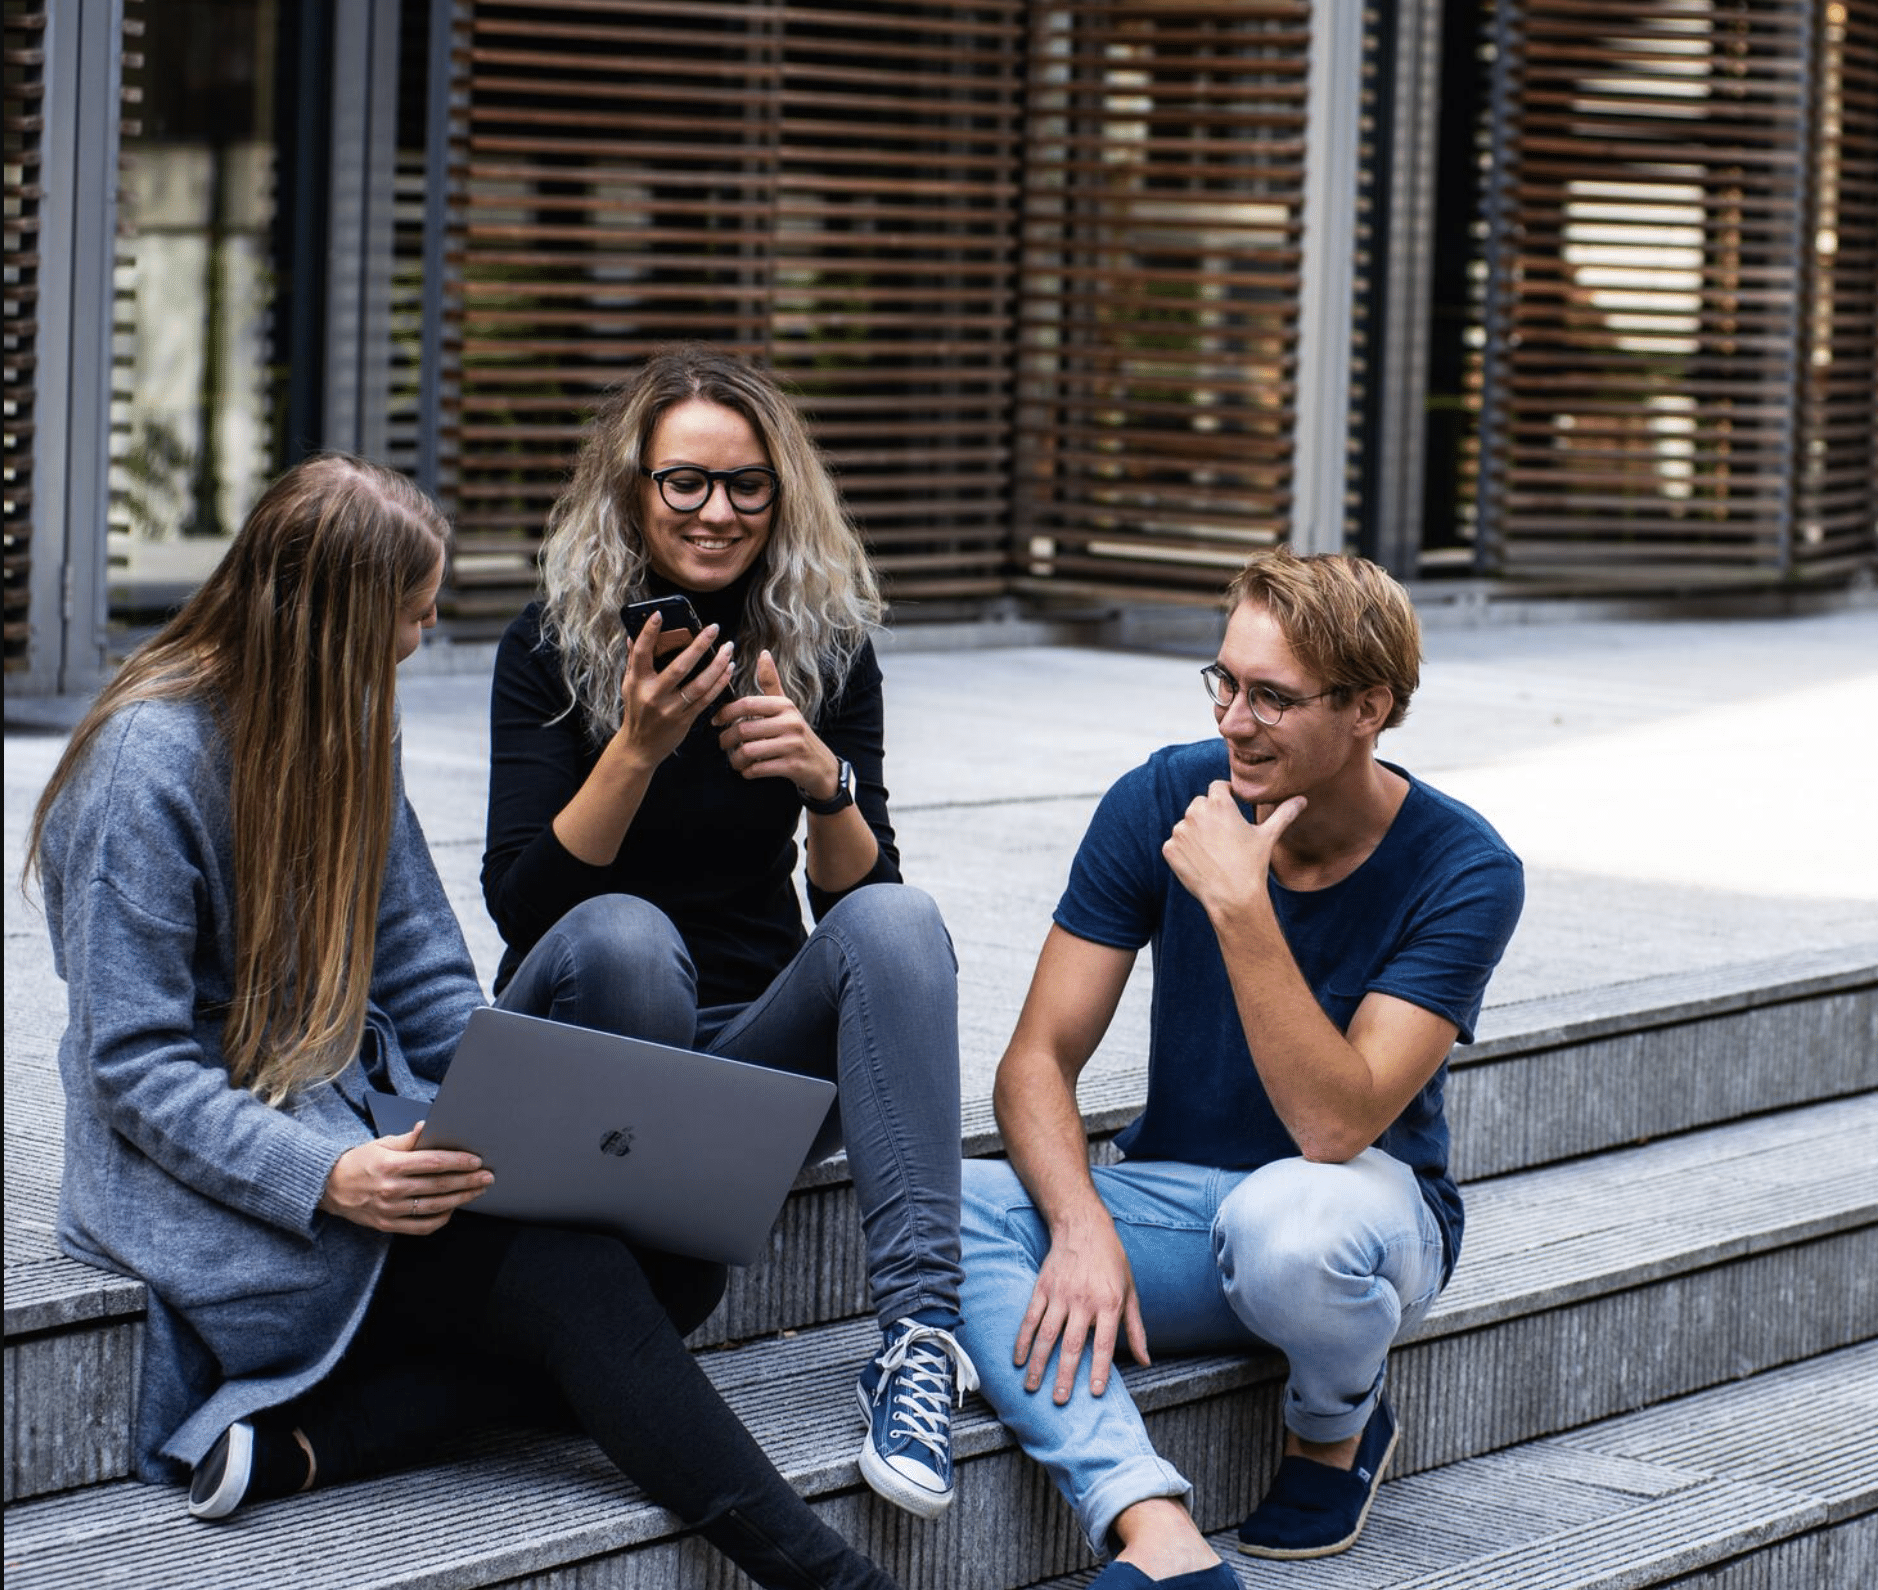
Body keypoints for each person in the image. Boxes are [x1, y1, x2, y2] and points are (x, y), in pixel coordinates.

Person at [28, 455, 900, 1590]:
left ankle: (327, 1440)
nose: (423, 638)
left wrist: (523, 1118)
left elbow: (430, 979)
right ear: (332, 617)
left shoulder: (345, 727)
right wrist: (327, 1176)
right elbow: (133, 1069)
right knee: (574, 1277)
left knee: (672, 1267)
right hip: (211, 1181)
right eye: (412, 612)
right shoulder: (143, 767)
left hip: (360, 1122)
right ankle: (831, 1579)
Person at [954, 550, 1524, 1588]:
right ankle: (1152, 1526)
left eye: (1271, 696)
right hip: (1178, 1200)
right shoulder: (1166, 795)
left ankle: (1330, 1427)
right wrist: (1080, 1229)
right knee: (949, 1205)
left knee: (1289, 1224)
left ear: (1368, 708)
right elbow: (1035, 1058)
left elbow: (1332, 1128)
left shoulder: (1464, 869)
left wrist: (1239, 904)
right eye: (1223, 681)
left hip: (1360, 1222)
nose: (1232, 719)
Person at [482, 343, 974, 1520]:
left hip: (746, 1066)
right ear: (632, 488)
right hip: (590, 1042)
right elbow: (523, 906)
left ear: (781, 491)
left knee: (902, 923)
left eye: (746, 483)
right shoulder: (548, 646)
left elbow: (863, 913)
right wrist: (636, 747)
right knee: (627, 938)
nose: (716, 512)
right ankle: (615, 1293)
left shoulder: (825, 645)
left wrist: (824, 786)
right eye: (683, 482)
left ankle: (917, 1343)